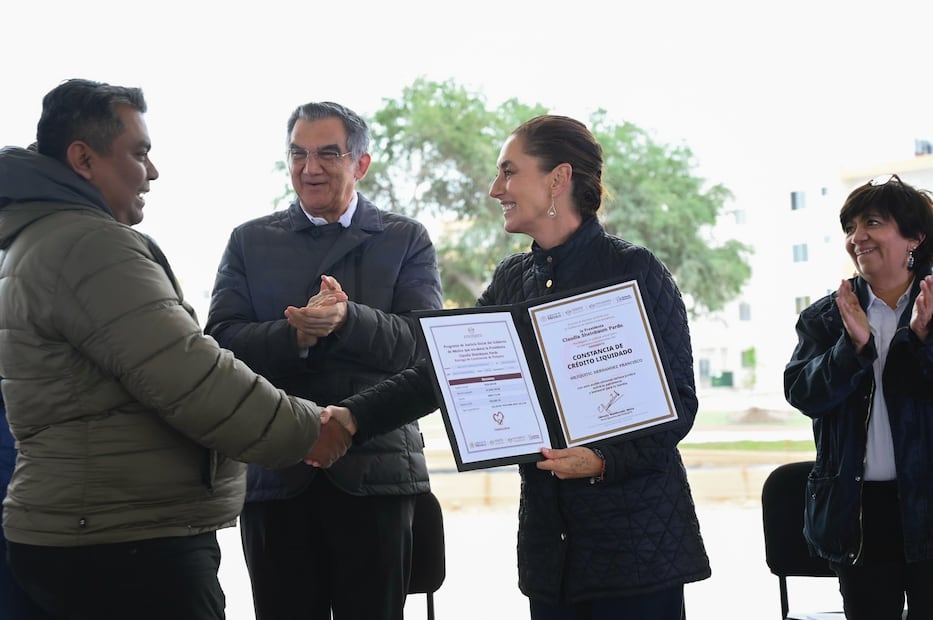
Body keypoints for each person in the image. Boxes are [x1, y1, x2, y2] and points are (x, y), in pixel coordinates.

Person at [324, 114, 711, 619]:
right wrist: (352, 418)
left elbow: (678, 403)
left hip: (637, 549)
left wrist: (602, 462)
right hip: (551, 552)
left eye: (509, 172)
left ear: (558, 178)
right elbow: (442, 372)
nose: (494, 189)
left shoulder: (634, 270)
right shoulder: (512, 278)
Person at [0, 79, 351, 620]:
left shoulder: (45, 238)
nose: (153, 171)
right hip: (123, 543)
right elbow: (193, 378)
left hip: (92, 530)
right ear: (83, 159)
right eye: (139, 153)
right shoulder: (88, 245)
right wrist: (311, 428)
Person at [204, 100, 443, 620]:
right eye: (298, 154)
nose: (309, 168)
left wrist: (347, 319)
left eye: (327, 154)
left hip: (378, 473)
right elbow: (220, 344)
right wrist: (296, 335)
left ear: (361, 163)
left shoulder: (406, 239)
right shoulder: (249, 241)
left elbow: (425, 349)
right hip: (276, 471)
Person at [785, 173, 933, 619]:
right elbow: (803, 393)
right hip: (858, 512)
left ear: (914, 238)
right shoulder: (827, 317)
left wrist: (922, 343)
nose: (857, 237)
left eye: (871, 222)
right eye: (851, 227)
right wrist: (851, 350)